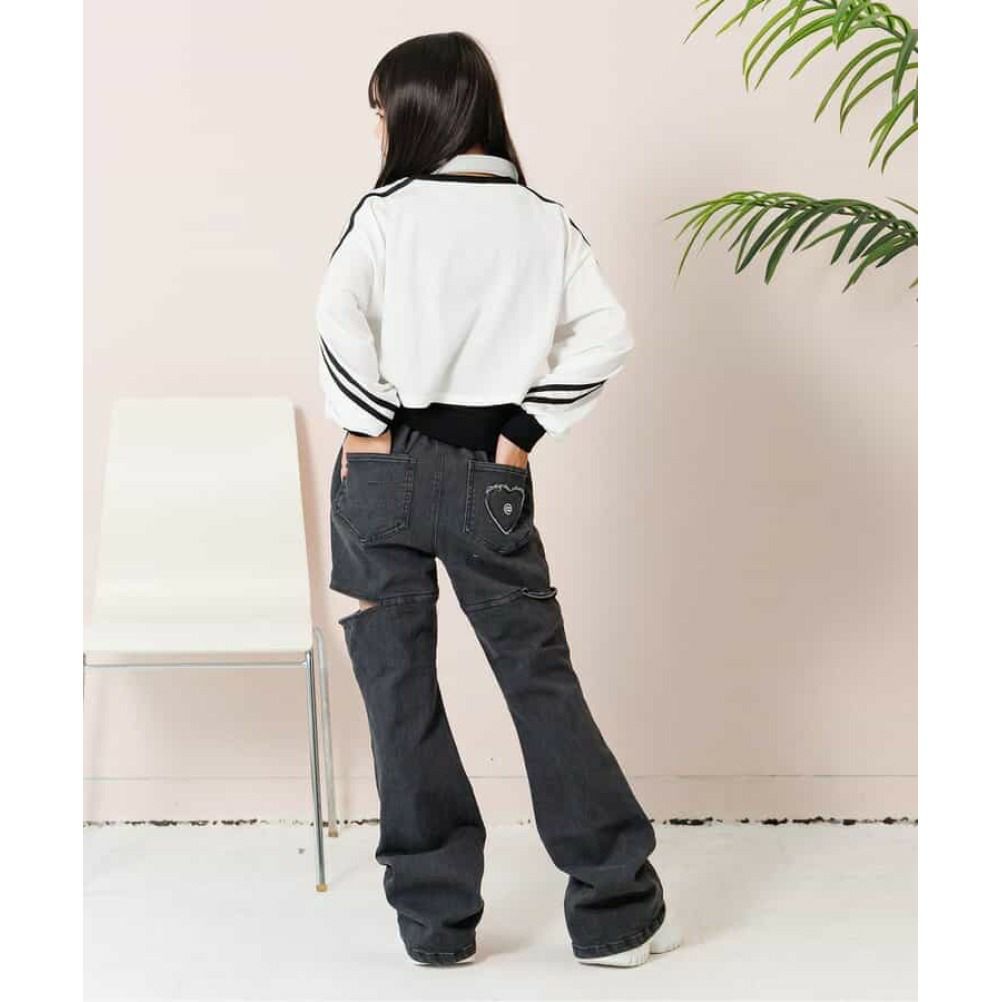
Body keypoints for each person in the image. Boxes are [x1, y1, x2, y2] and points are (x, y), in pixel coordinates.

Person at [316, 30, 680, 968]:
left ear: (417, 112)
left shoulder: (386, 212)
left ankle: (437, 927)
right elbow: (606, 334)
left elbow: (335, 317)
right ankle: (615, 911)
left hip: (382, 474)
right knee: (538, 679)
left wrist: (370, 425)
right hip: (491, 476)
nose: (378, 130)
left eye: (381, 112)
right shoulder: (544, 220)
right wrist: (521, 432)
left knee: (397, 690)